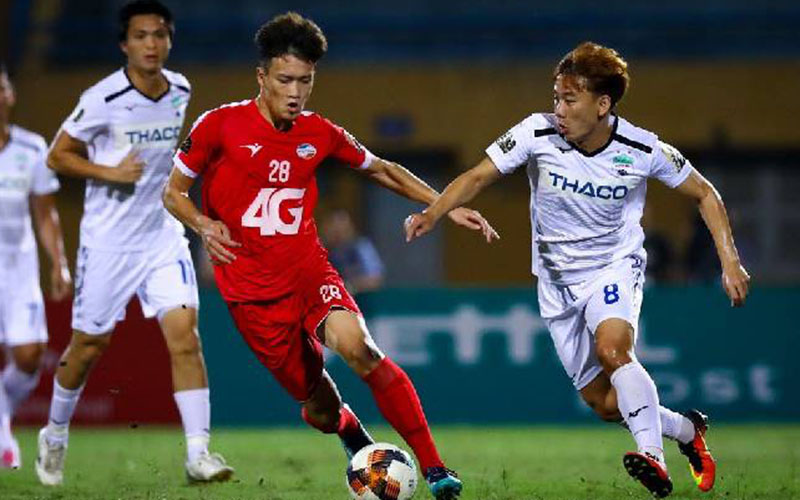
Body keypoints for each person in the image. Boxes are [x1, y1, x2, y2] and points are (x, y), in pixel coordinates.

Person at [162, 12, 497, 499]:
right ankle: (349, 431)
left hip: (309, 274)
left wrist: (443, 204)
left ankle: (435, 469)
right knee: (319, 407)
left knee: (361, 349)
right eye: (285, 80)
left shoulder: (319, 133)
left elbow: (381, 169)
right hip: (253, 297)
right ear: (261, 77)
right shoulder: (219, 125)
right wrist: (202, 223)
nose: (295, 92)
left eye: (305, 80)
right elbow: (173, 192)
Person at [405, 42, 750, 498]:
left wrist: (730, 261)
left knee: (614, 351)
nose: (559, 110)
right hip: (556, 284)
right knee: (604, 403)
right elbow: (477, 175)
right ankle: (686, 430)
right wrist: (434, 212)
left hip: (613, 267)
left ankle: (653, 457)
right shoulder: (536, 133)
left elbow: (704, 192)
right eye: (556, 98)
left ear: (602, 104)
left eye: (569, 100)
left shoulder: (641, 147)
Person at [36, 0, 232, 486]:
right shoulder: (102, 98)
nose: (151, 44)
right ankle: (54, 434)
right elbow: (57, 156)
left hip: (162, 236)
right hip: (108, 243)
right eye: (141, 36)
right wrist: (109, 171)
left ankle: (198, 455)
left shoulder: (180, 89)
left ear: (169, 40)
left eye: (159, 35)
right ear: (124, 44)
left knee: (186, 337)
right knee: (87, 347)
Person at [0, 63, 71, 469]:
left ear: (10, 95)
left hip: (18, 270)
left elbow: (45, 213)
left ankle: (1, 415)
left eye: (1, 88)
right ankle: (4, 439)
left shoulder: (30, 149)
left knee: (29, 357)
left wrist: (58, 263)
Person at [321, 209, 385, 294]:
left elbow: (375, 278)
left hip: (358, 298)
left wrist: (350, 285)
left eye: (342, 230)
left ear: (350, 228)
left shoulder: (361, 247)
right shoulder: (322, 249)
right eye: (334, 230)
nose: (338, 235)